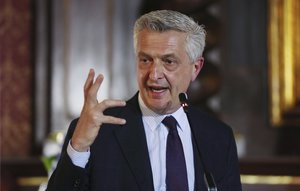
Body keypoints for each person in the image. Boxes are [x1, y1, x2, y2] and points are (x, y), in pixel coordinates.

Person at [46, 10, 242, 191]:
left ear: (195, 68)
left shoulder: (218, 137)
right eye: (145, 60)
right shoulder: (99, 132)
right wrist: (78, 147)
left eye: (169, 61)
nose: (154, 74)